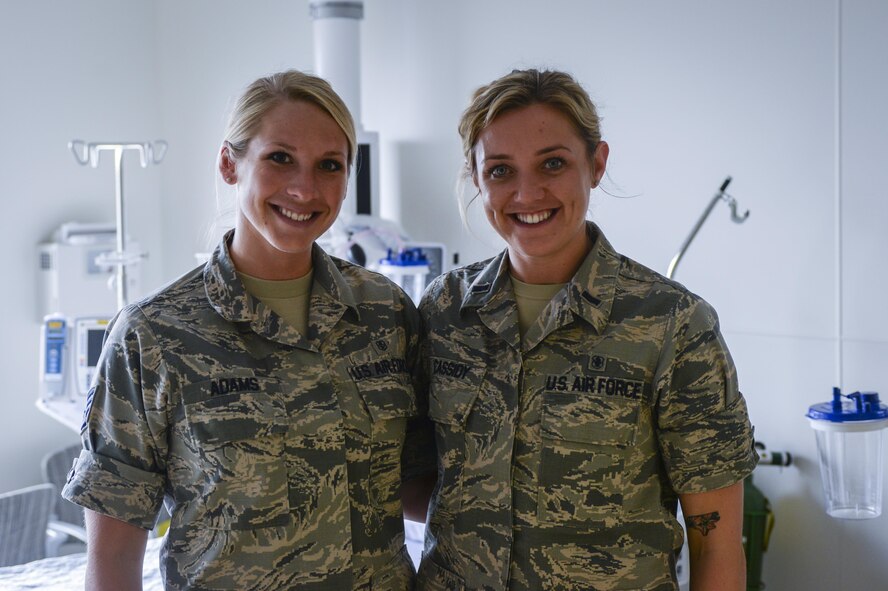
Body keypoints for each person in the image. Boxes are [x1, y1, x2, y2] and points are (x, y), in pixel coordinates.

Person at [62, 70, 420, 591]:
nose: (305, 188)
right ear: (230, 164)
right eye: (280, 158)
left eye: (329, 166)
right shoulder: (154, 335)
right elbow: (114, 554)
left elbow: (420, 483)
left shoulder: (385, 312)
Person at [413, 69, 758, 591]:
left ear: (596, 165)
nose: (528, 193)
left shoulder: (671, 325)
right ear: (476, 177)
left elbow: (717, 543)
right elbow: (418, 483)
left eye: (553, 163)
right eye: (501, 170)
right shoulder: (443, 311)